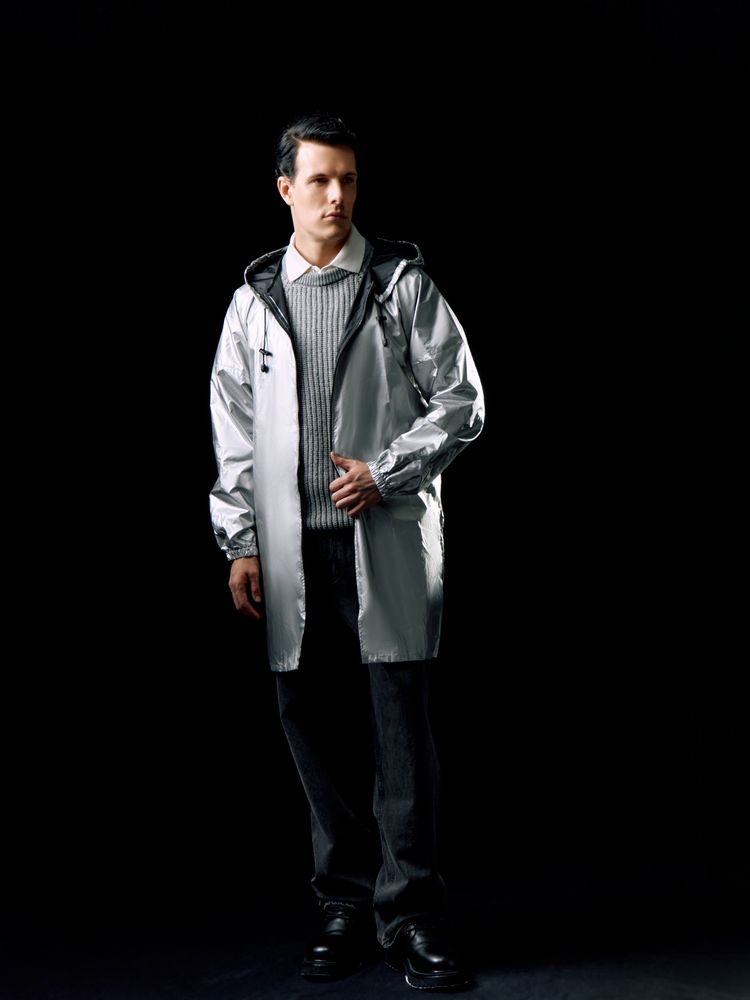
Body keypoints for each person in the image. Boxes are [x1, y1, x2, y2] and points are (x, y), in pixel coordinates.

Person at [208, 112, 484, 991]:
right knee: (314, 730)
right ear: (285, 189)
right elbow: (235, 433)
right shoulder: (254, 302)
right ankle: (344, 904)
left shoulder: (400, 285)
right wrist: (241, 542)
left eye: (349, 180)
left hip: (383, 545)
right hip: (292, 555)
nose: (337, 196)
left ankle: (412, 915)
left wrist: (388, 471)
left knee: (401, 735)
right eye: (320, 180)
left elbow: (462, 400)